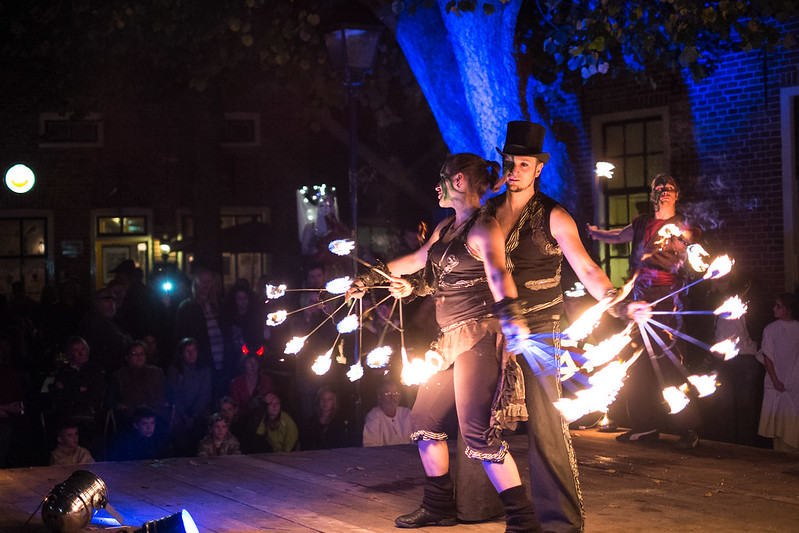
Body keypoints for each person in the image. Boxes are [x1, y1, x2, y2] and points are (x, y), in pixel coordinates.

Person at [356, 152, 540, 531]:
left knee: (476, 432)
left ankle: (524, 521)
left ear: (458, 182)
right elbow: (419, 261)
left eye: (441, 178)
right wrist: (373, 280)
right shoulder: (446, 227)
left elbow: (498, 274)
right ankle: (437, 505)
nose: (436, 185)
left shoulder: (483, 228)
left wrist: (512, 316)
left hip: (479, 339)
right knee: (423, 419)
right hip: (450, 341)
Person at [587, 172, 702, 450]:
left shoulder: (683, 227)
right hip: (638, 305)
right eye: (659, 187)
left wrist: (684, 248)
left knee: (669, 362)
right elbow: (619, 235)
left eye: (670, 188)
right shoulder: (641, 224)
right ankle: (644, 426)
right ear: (652, 194)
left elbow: (693, 250)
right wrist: (594, 233)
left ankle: (687, 427)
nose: (664, 190)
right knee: (636, 363)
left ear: (677, 194)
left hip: (667, 306)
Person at [757, 293, 799, 451]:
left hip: (794, 382)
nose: (774, 308)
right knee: (778, 423)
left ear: (788, 310)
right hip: (776, 382)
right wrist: (775, 380)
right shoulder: (771, 329)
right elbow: (768, 356)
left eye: (779, 306)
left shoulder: (797, 328)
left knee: (792, 423)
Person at [167, 337, 213, 456]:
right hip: (180, 412)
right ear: (181, 354)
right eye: (188, 351)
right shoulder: (175, 370)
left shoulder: (204, 370)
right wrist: (183, 414)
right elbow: (174, 394)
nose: (191, 354)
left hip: (198, 412)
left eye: (194, 350)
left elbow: (205, 394)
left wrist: (193, 414)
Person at [108, 340, 168, 428]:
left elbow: (168, 393)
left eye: (142, 353)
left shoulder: (157, 373)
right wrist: (119, 406)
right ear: (127, 357)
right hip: (131, 417)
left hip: (154, 415)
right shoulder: (118, 376)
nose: (139, 357)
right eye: (134, 353)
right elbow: (111, 398)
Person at [300, 385, 353, 451]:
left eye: (329, 399)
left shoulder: (339, 423)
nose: (325, 402)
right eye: (322, 399)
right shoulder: (310, 422)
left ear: (334, 402)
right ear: (318, 400)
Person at [362, 380, 413, 447]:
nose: (392, 397)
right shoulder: (374, 417)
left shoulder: (406, 413)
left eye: (396, 393)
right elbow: (370, 446)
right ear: (379, 397)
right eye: (387, 393)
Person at [229, 353, 275, 419]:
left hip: (264, 419)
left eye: (255, 362)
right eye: (249, 362)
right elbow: (234, 406)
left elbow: (273, 400)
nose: (253, 365)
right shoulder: (236, 383)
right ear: (244, 364)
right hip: (243, 420)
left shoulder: (266, 381)